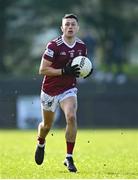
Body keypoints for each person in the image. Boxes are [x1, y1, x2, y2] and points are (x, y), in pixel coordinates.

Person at [35, 13, 92, 172]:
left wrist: (87, 72)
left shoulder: (82, 46)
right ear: (62, 28)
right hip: (50, 90)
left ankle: (69, 157)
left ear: (78, 28)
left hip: (68, 89)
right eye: (67, 24)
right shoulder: (54, 45)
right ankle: (41, 142)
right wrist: (63, 70)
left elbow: (81, 68)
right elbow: (42, 69)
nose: (70, 27)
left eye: (73, 24)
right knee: (46, 126)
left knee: (71, 116)